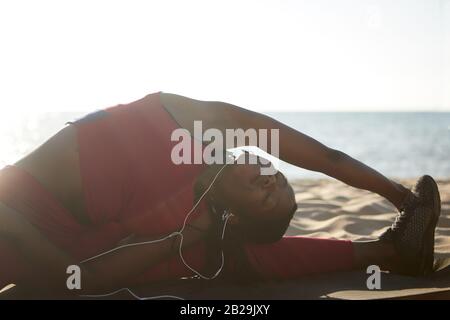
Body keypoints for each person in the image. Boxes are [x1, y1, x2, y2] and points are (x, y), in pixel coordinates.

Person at [0, 91, 441, 298]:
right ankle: (389, 253)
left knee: (216, 254)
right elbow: (327, 158)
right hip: (18, 215)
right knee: (220, 254)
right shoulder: (205, 121)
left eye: (268, 196)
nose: (271, 177)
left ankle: (386, 253)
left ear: (235, 212)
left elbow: (82, 278)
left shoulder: (184, 220)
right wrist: (400, 197)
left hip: (30, 239)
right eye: (277, 176)